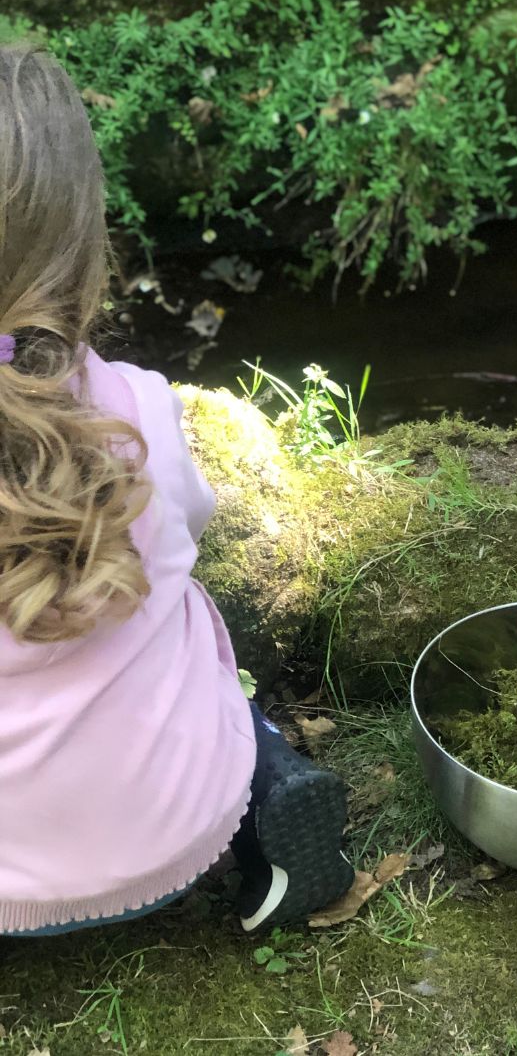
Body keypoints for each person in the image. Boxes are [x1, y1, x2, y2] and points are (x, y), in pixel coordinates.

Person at [0, 47, 354, 939]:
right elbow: (191, 524)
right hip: (167, 837)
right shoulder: (140, 408)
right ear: (85, 251)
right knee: (183, 607)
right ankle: (273, 787)